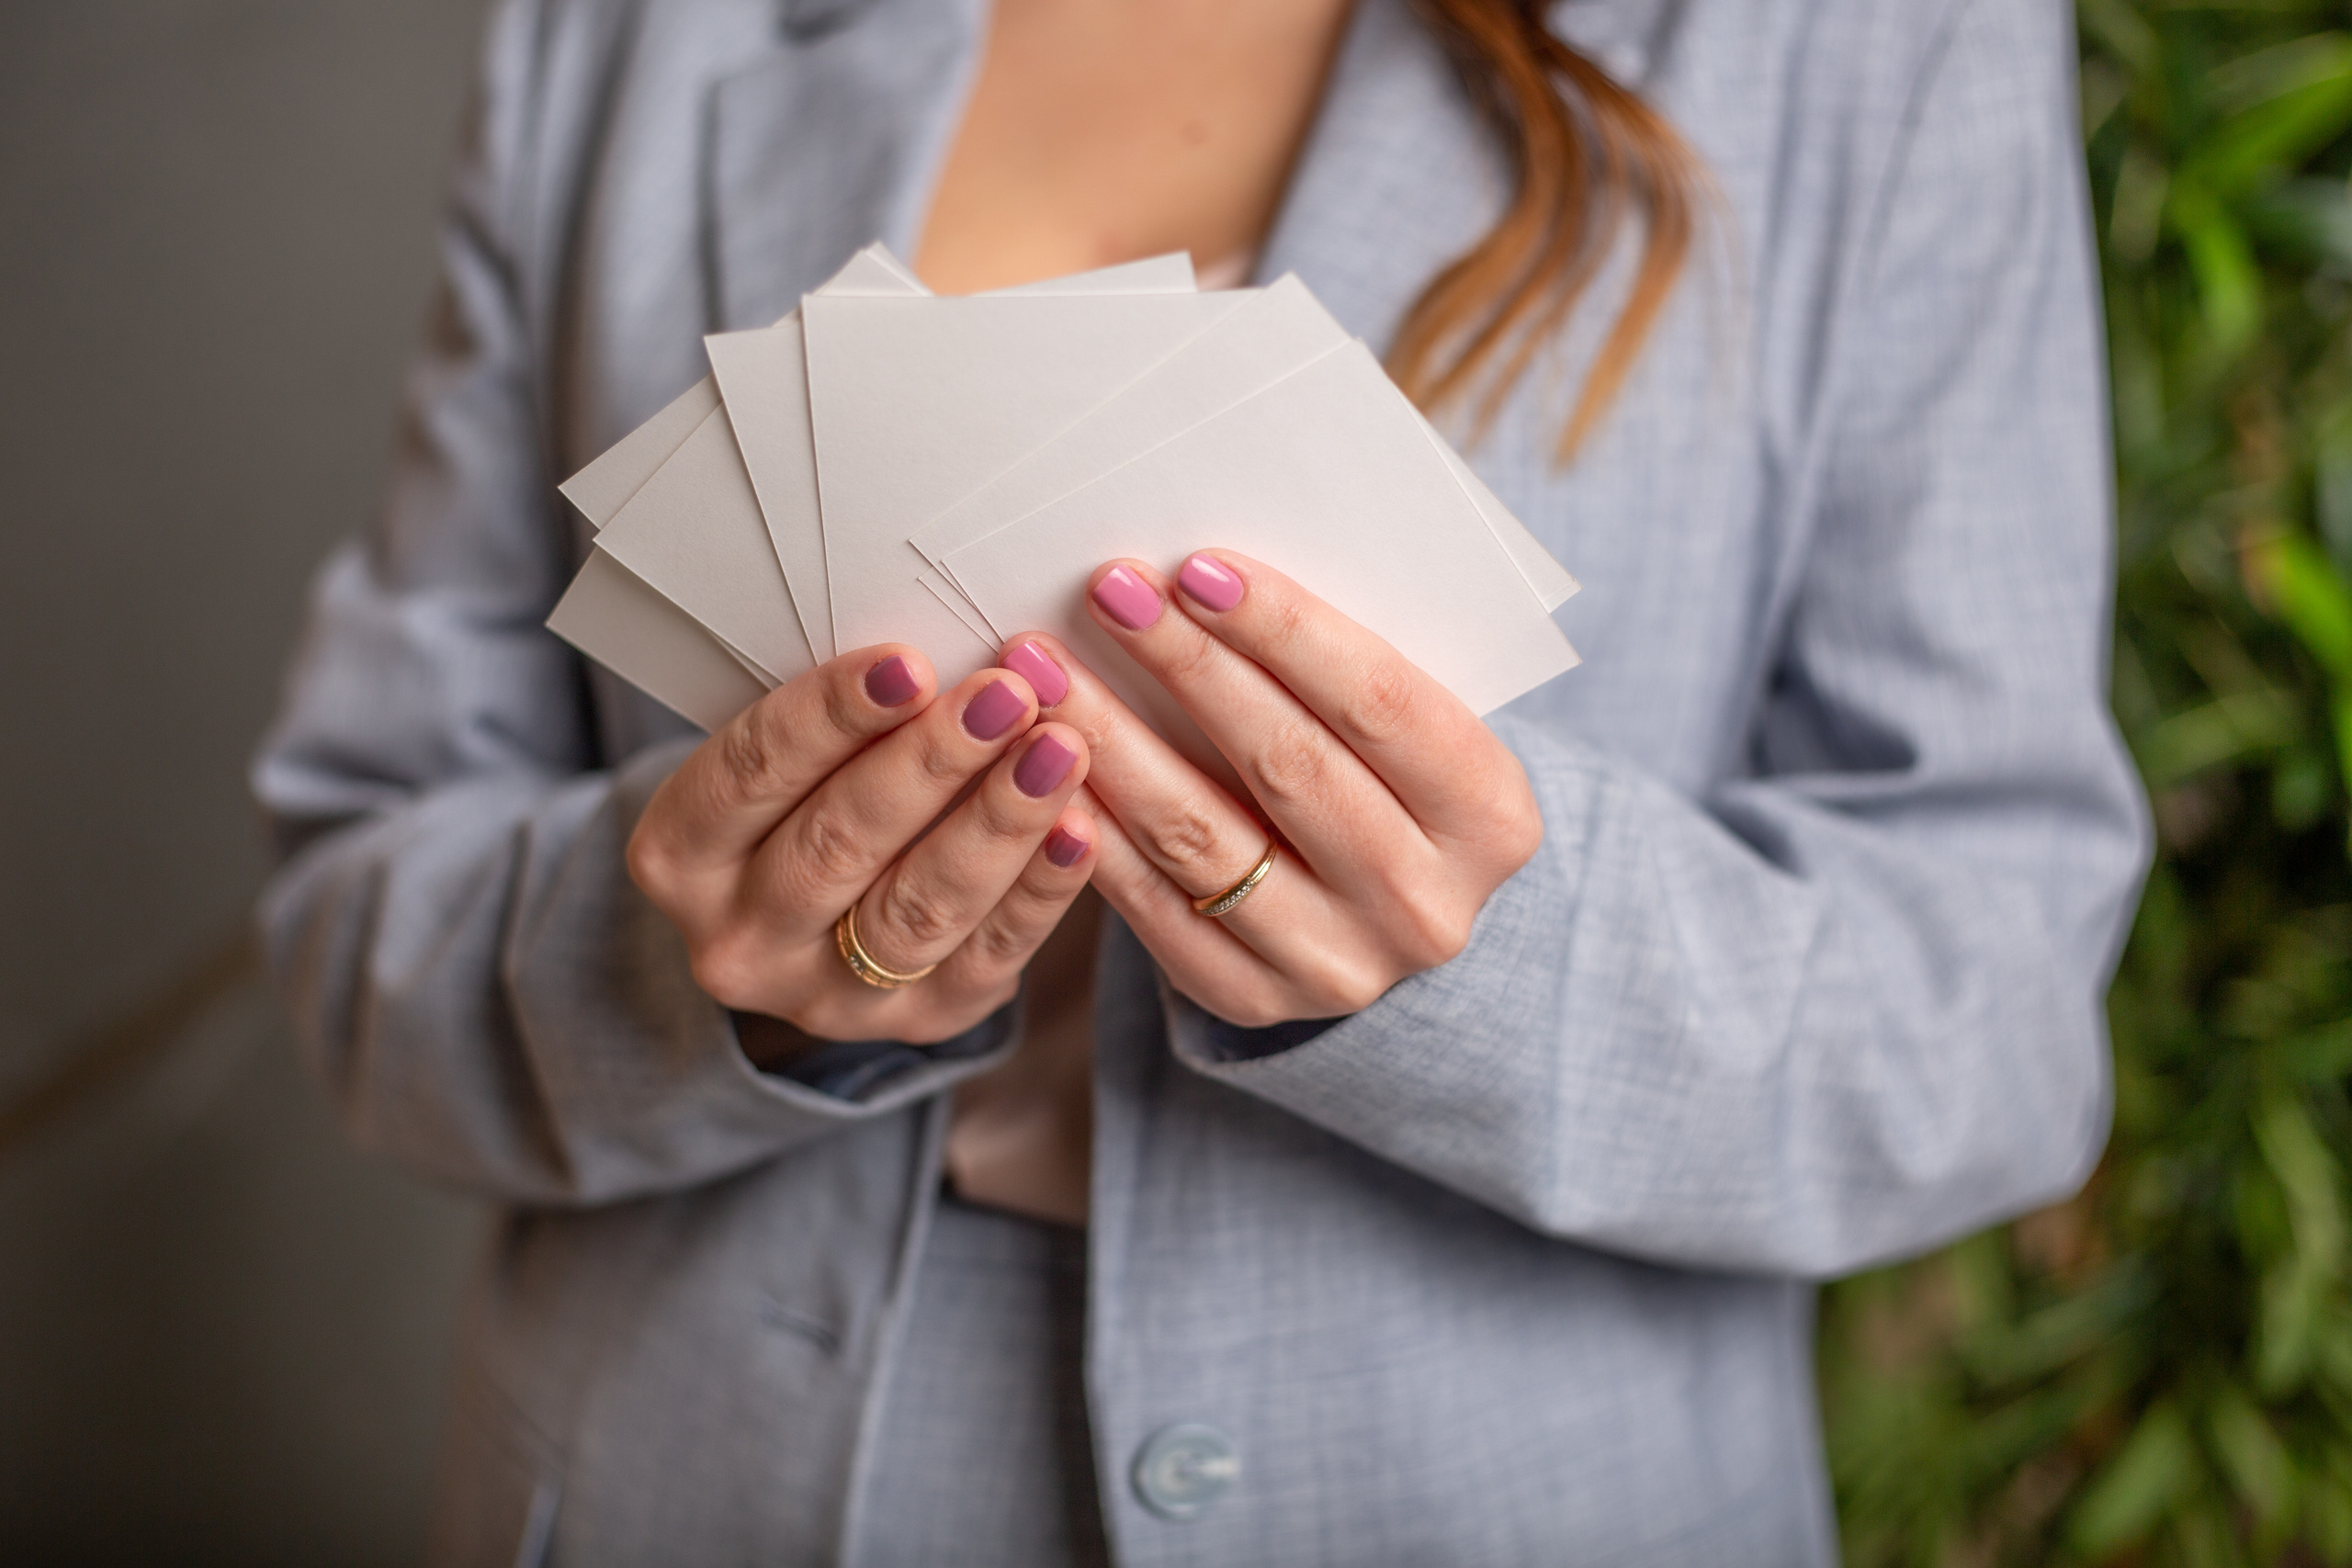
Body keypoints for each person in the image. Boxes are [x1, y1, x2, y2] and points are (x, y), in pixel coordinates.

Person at [252, 0, 2151, 1561]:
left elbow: (1989, 1012)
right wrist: (703, 969)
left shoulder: (1876, 39)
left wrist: (1493, 952)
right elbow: (354, 918)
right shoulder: (626, 28)